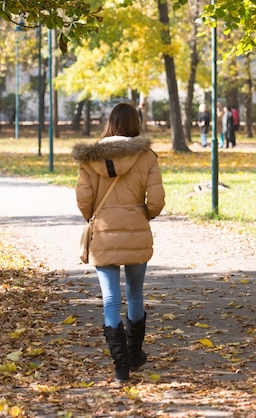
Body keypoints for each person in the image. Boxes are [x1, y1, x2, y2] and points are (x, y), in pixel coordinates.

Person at [72, 103, 166, 383]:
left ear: (110, 124)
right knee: (135, 295)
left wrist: (92, 216)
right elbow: (157, 199)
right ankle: (135, 354)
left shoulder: (90, 159)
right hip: (136, 229)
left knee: (111, 299)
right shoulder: (146, 156)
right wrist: (145, 214)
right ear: (135, 124)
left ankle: (120, 367)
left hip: (104, 233)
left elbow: (83, 198)